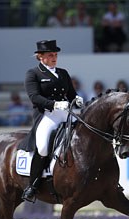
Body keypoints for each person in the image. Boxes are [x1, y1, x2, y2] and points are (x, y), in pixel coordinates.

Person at [22, 39, 84, 202]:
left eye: (55, 55)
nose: (54, 57)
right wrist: (54, 104)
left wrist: (77, 99)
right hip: (46, 115)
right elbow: (34, 97)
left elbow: (71, 93)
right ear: (40, 57)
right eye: (50, 55)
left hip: (65, 113)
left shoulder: (63, 73)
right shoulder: (33, 74)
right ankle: (32, 186)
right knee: (42, 147)